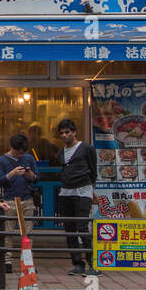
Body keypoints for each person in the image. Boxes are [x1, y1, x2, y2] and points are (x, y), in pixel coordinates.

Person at [56, 118, 99, 276]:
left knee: (82, 227)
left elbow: (93, 170)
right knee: (69, 229)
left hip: (83, 191)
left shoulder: (86, 148)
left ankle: (92, 264)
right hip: (66, 191)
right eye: (62, 133)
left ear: (74, 132)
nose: (64, 135)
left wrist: (91, 190)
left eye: (67, 132)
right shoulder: (61, 152)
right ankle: (77, 263)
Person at [0, 133, 40, 271]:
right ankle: (7, 262)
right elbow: (0, 181)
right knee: (8, 232)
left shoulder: (29, 158)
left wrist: (30, 174)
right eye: (18, 153)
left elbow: (37, 179)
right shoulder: (1, 160)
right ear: (11, 148)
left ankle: (27, 261)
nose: (20, 156)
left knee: (28, 233)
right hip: (9, 200)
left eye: (22, 153)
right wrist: (13, 173)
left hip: (27, 199)